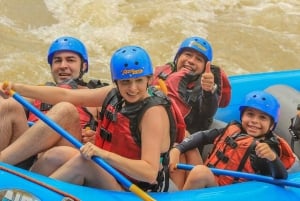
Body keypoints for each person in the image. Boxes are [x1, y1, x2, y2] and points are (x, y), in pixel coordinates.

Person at [0, 45, 185, 192]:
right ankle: (14, 185)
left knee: (84, 162)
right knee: (58, 154)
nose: (133, 88)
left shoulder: (153, 113)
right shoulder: (114, 94)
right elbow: (67, 96)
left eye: (139, 81)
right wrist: (17, 88)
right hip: (113, 173)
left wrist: (103, 154)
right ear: (116, 81)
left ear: (148, 79)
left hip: (136, 189)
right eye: (125, 82)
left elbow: (149, 172)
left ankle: (34, 196)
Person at [0, 36, 107, 172]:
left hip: (64, 163)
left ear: (84, 66)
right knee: (8, 104)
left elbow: (116, 136)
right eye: (57, 61)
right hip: (31, 162)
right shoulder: (38, 94)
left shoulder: (96, 99)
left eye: (70, 60)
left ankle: (2, 163)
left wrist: (97, 138)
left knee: (65, 110)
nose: (63, 66)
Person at [168, 90, 296, 190]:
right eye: (250, 114)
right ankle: (178, 194)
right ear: (242, 116)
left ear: (272, 125)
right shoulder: (234, 129)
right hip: (211, 179)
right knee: (184, 137)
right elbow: (204, 136)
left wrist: (272, 158)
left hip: (225, 191)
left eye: (262, 118)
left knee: (200, 172)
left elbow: (281, 177)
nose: (254, 121)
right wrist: (177, 149)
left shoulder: (265, 149)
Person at [151, 36, 231, 134]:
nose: (191, 61)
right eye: (188, 54)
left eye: (199, 59)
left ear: (204, 67)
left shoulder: (207, 82)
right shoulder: (164, 72)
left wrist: (208, 91)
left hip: (191, 133)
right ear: (178, 57)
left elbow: (208, 112)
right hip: (160, 126)